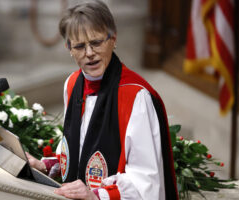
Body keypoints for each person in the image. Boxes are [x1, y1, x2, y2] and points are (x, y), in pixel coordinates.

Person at [26, 1, 178, 199]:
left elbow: (146, 182)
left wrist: (96, 195)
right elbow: (78, 152)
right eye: (79, 46)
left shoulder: (135, 97)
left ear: (113, 38)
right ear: (69, 48)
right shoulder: (72, 84)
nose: (89, 54)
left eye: (96, 42)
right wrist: (47, 165)